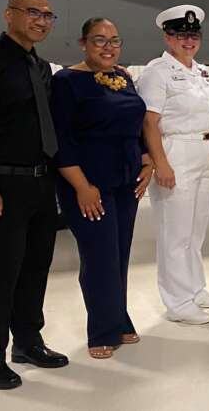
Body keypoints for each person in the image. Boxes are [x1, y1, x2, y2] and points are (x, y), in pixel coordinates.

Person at [49, 18, 151, 358]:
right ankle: (102, 330)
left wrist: (148, 159)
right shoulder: (66, 81)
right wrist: (81, 186)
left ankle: (118, 318)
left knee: (119, 254)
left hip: (126, 179)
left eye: (114, 41)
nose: (108, 47)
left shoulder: (123, 77)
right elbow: (60, 140)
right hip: (89, 182)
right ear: (83, 43)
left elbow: (136, 125)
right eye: (99, 40)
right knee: (99, 257)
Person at [0, 0, 68, 390]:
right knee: (2, 273)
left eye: (48, 16)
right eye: (33, 12)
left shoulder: (41, 66)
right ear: (9, 14)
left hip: (40, 181)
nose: (41, 21)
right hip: (4, 183)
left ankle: (28, 342)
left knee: (35, 268)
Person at [138, 5, 209, 324]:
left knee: (195, 230)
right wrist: (162, 164)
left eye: (193, 35)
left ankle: (195, 289)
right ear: (167, 37)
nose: (188, 41)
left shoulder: (201, 72)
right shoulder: (157, 72)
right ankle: (177, 302)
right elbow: (149, 122)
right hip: (175, 151)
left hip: (204, 150)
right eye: (180, 35)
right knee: (175, 232)